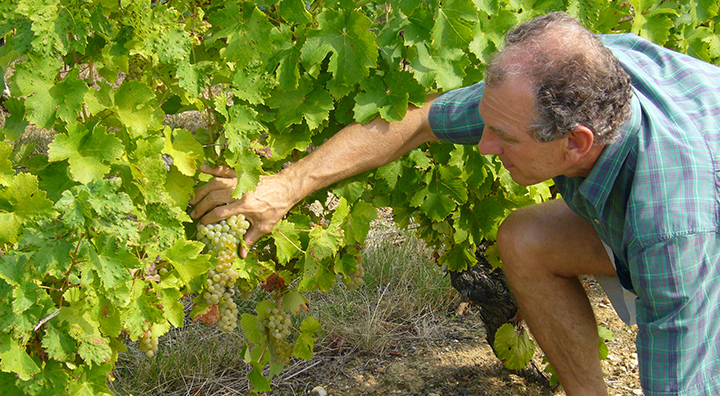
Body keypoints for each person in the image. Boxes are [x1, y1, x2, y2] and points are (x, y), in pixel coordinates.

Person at [190, 11, 720, 396]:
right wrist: (286, 186)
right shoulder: (573, 76)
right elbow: (418, 122)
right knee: (526, 239)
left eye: (504, 138)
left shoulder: (671, 231)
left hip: (701, 217)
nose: (485, 146)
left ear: (577, 142)